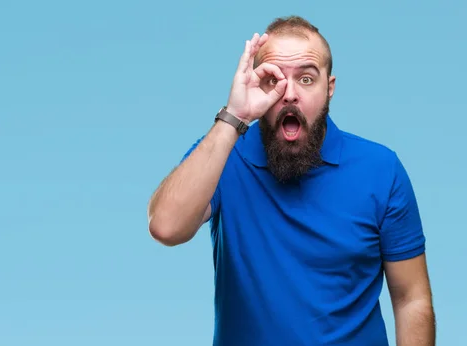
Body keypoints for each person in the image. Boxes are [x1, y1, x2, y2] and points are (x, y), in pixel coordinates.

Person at [146, 15, 436, 346]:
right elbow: (166, 227)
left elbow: (411, 298)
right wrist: (235, 117)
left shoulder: (381, 169)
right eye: (274, 80)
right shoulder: (223, 155)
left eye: (307, 79)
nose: (289, 94)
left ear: (330, 88)